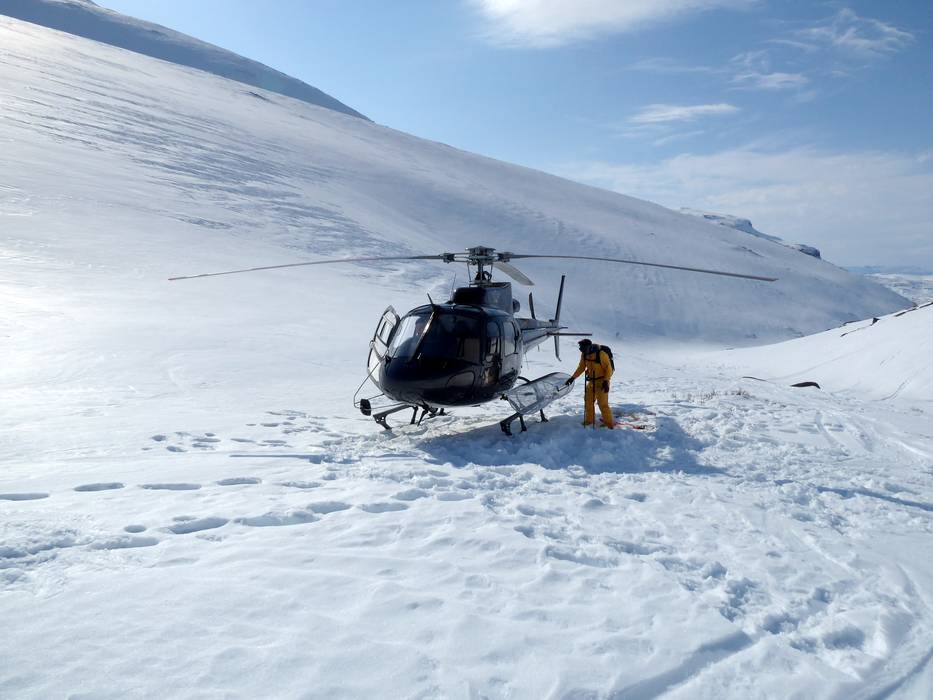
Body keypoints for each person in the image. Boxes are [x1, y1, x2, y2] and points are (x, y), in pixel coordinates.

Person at [564, 339, 615, 429]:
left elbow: (609, 369)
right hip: (591, 381)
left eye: (582, 348)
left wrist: (606, 382)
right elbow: (581, 367)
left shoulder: (601, 354)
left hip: (602, 381)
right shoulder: (584, 354)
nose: (581, 350)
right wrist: (573, 378)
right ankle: (589, 420)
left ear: (588, 347)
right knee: (588, 401)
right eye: (580, 348)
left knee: (602, 403)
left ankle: (608, 424)